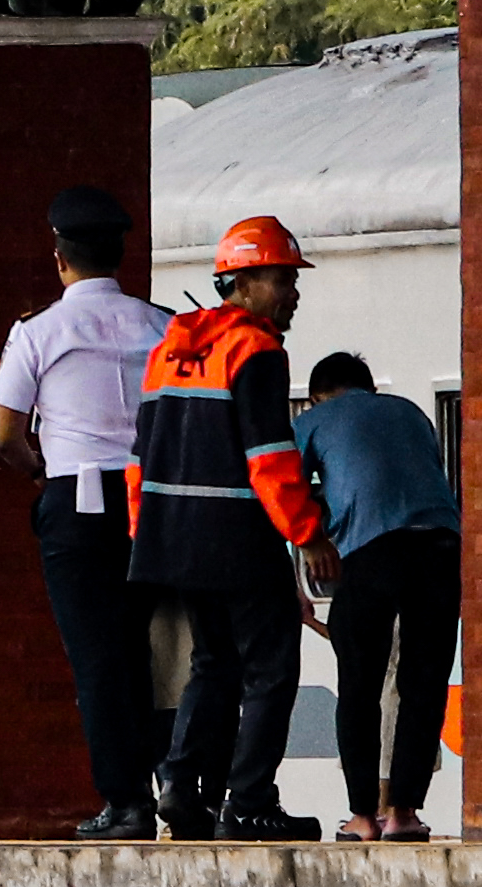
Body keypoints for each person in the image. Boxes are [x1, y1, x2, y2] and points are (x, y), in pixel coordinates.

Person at [135, 213, 333, 838]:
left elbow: (140, 458)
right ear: (241, 283)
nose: (293, 294)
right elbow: (270, 457)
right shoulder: (258, 351)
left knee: (212, 661)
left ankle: (179, 784)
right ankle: (248, 802)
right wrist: (308, 534)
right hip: (239, 538)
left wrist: (147, 533)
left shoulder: (168, 351)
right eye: (282, 280)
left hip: (176, 540)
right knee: (272, 669)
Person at [0, 186, 173, 840]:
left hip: (78, 500)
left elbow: (3, 433)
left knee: (98, 659)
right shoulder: (163, 325)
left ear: (60, 258)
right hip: (152, 505)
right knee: (147, 655)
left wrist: (41, 472)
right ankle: (171, 784)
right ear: (120, 254)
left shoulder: (38, 331)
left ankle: (126, 802)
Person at [293, 350, 460, 838]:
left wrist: (298, 571)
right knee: (424, 683)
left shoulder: (314, 420)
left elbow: (284, 492)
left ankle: (363, 817)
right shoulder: (412, 413)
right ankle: (404, 814)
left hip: (370, 551)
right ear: (369, 387)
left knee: (360, 687)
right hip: (441, 546)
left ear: (317, 397)